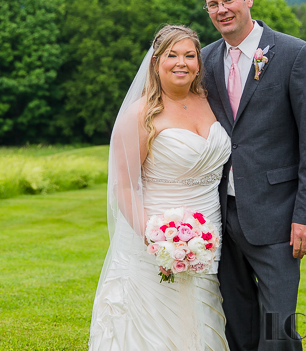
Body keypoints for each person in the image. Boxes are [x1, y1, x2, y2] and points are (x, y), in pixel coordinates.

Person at [201, 0, 306, 351]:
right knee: (238, 326)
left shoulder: (294, 54)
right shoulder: (205, 59)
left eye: (229, 0)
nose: (222, 10)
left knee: (278, 328)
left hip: (277, 215)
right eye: (213, 4)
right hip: (221, 214)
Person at [89, 25, 232, 351]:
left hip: (208, 236)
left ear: (199, 62)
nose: (181, 62)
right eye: (172, 55)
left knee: (200, 319)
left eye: (189, 55)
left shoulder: (211, 103)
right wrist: (155, 239)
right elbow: (124, 187)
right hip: (153, 239)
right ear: (156, 62)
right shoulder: (140, 114)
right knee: (150, 329)